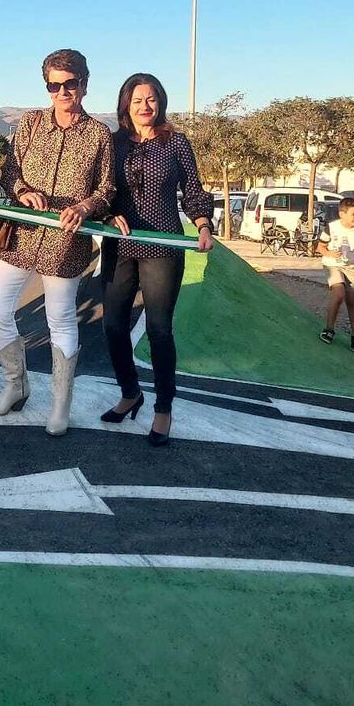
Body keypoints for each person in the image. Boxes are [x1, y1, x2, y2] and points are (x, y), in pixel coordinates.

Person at [0, 49, 114, 437]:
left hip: (66, 242)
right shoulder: (30, 123)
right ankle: (16, 384)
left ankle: (60, 403)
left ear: (84, 84)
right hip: (20, 236)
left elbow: (107, 188)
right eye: (53, 85)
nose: (61, 91)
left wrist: (85, 207)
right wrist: (21, 190)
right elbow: (9, 171)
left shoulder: (98, 134)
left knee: (59, 318)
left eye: (69, 84)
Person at [99, 72, 214, 444]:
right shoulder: (112, 143)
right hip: (120, 244)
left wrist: (202, 224)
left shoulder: (176, 142)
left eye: (150, 99)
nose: (144, 106)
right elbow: (100, 190)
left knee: (159, 329)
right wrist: (105, 215)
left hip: (163, 245)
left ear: (160, 101)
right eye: (137, 100)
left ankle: (163, 407)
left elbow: (192, 190)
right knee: (113, 325)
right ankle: (130, 392)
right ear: (125, 105)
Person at [317, 196, 354, 353]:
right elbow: (320, 246)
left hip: (351, 267)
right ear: (342, 214)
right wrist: (329, 253)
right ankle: (329, 328)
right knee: (338, 293)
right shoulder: (332, 228)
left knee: (351, 300)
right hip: (332, 265)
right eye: (353, 214)